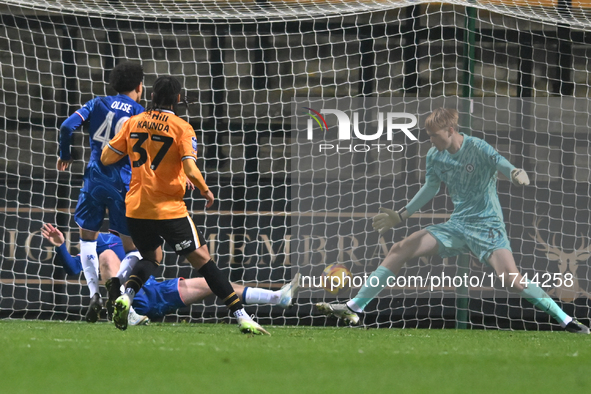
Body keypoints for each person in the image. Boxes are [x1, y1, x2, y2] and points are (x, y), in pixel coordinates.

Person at [316, 107, 590, 334]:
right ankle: (355, 307)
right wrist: (402, 215)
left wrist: (515, 172)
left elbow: (502, 164)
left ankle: (567, 321)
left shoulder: (477, 147)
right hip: (457, 225)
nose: (431, 140)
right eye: (428, 136)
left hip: (487, 226)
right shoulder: (435, 155)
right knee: (400, 248)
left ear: (450, 131)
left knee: (512, 281)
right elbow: (430, 188)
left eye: (434, 135)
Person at [101, 75, 269, 334]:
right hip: (168, 208)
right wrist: (204, 189)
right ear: (178, 99)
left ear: (152, 97)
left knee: (151, 257)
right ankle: (241, 315)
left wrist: (134, 150)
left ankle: (126, 296)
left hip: (136, 207)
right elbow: (190, 167)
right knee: (205, 262)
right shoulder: (182, 127)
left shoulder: (133, 122)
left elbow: (107, 156)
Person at [41, 223, 299, 321]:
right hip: (131, 298)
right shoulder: (97, 244)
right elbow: (74, 268)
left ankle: (276, 298)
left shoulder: (133, 234)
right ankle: (126, 311)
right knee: (107, 257)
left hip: (154, 291)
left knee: (210, 282)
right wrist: (61, 246)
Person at [57, 62, 145, 322]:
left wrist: (66, 154)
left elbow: (66, 127)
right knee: (136, 250)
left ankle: (94, 293)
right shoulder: (140, 113)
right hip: (123, 183)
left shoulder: (96, 103)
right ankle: (118, 287)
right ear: (139, 87)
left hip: (93, 179)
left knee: (87, 240)